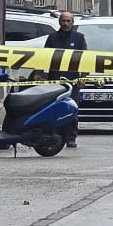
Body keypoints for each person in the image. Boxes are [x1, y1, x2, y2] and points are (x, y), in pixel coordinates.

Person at [41, 11, 87, 148]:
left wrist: (83, 77)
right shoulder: (52, 38)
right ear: (59, 22)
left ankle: (71, 138)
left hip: (72, 80)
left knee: (71, 108)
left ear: (72, 23)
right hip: (54, 80)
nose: (65, 23)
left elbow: (85, 59)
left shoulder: (79, 38)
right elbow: (43, 57)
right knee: (54, 109)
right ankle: (55, 136)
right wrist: (38, 73)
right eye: (63, 21)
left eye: (68, 21)